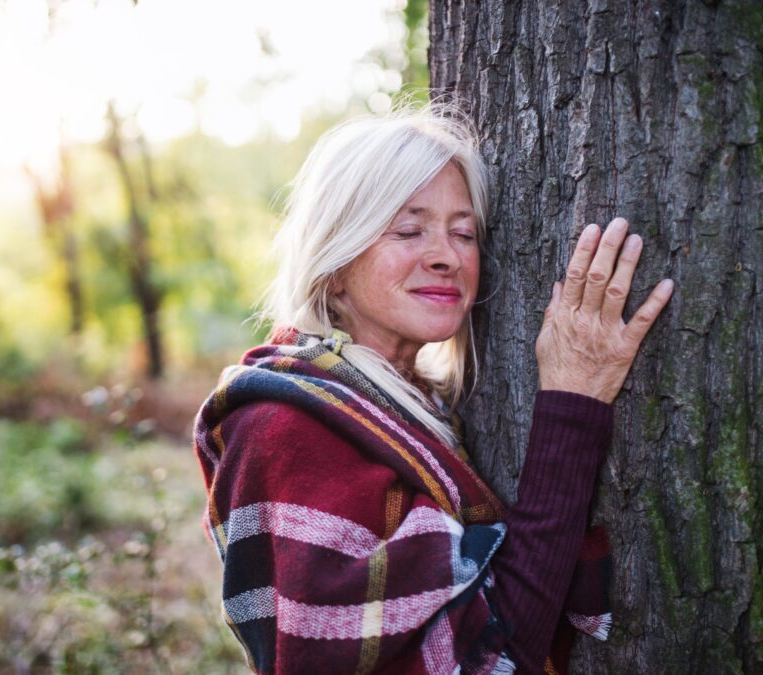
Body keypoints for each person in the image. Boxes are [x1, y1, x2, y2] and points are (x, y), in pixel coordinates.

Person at [193, 104, 673, 674]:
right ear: (335, 263)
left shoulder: (428, 404)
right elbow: (486, 657)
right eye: (408, 230)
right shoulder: (282, 427)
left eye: (464, 233)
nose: (448, 257)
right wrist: (574, 404)